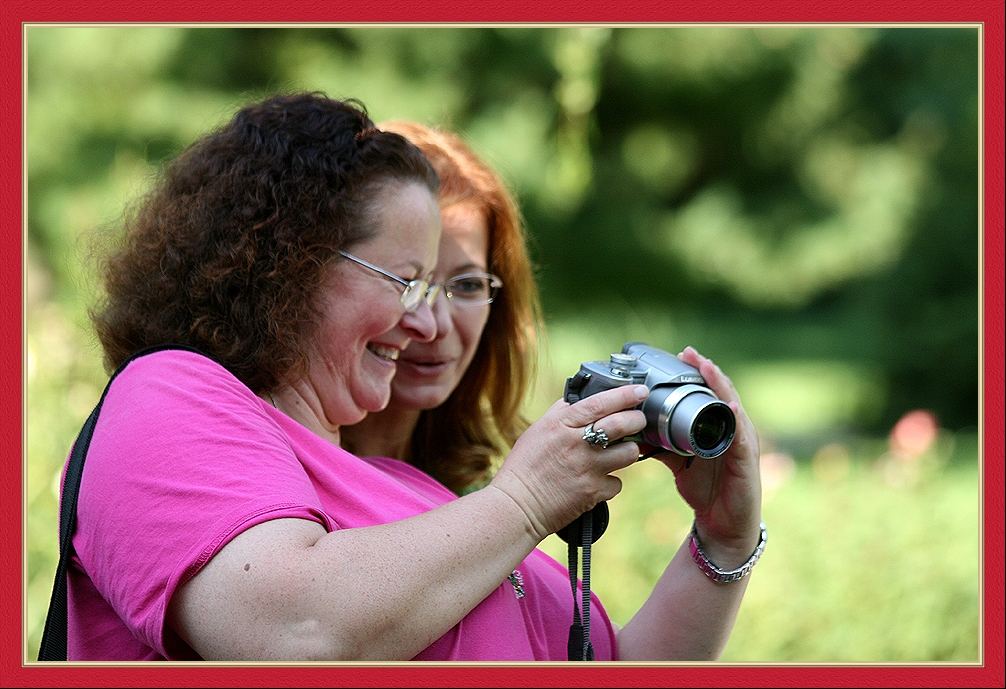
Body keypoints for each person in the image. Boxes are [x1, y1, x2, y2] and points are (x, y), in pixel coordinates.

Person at [67, 91, 762, 662]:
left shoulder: (418, 497)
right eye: (405, 282)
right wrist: (525, 500)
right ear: (289, 264)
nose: (427, 324)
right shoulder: (165, 397)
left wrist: (721, 539)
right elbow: (296, 634)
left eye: (446, 288)